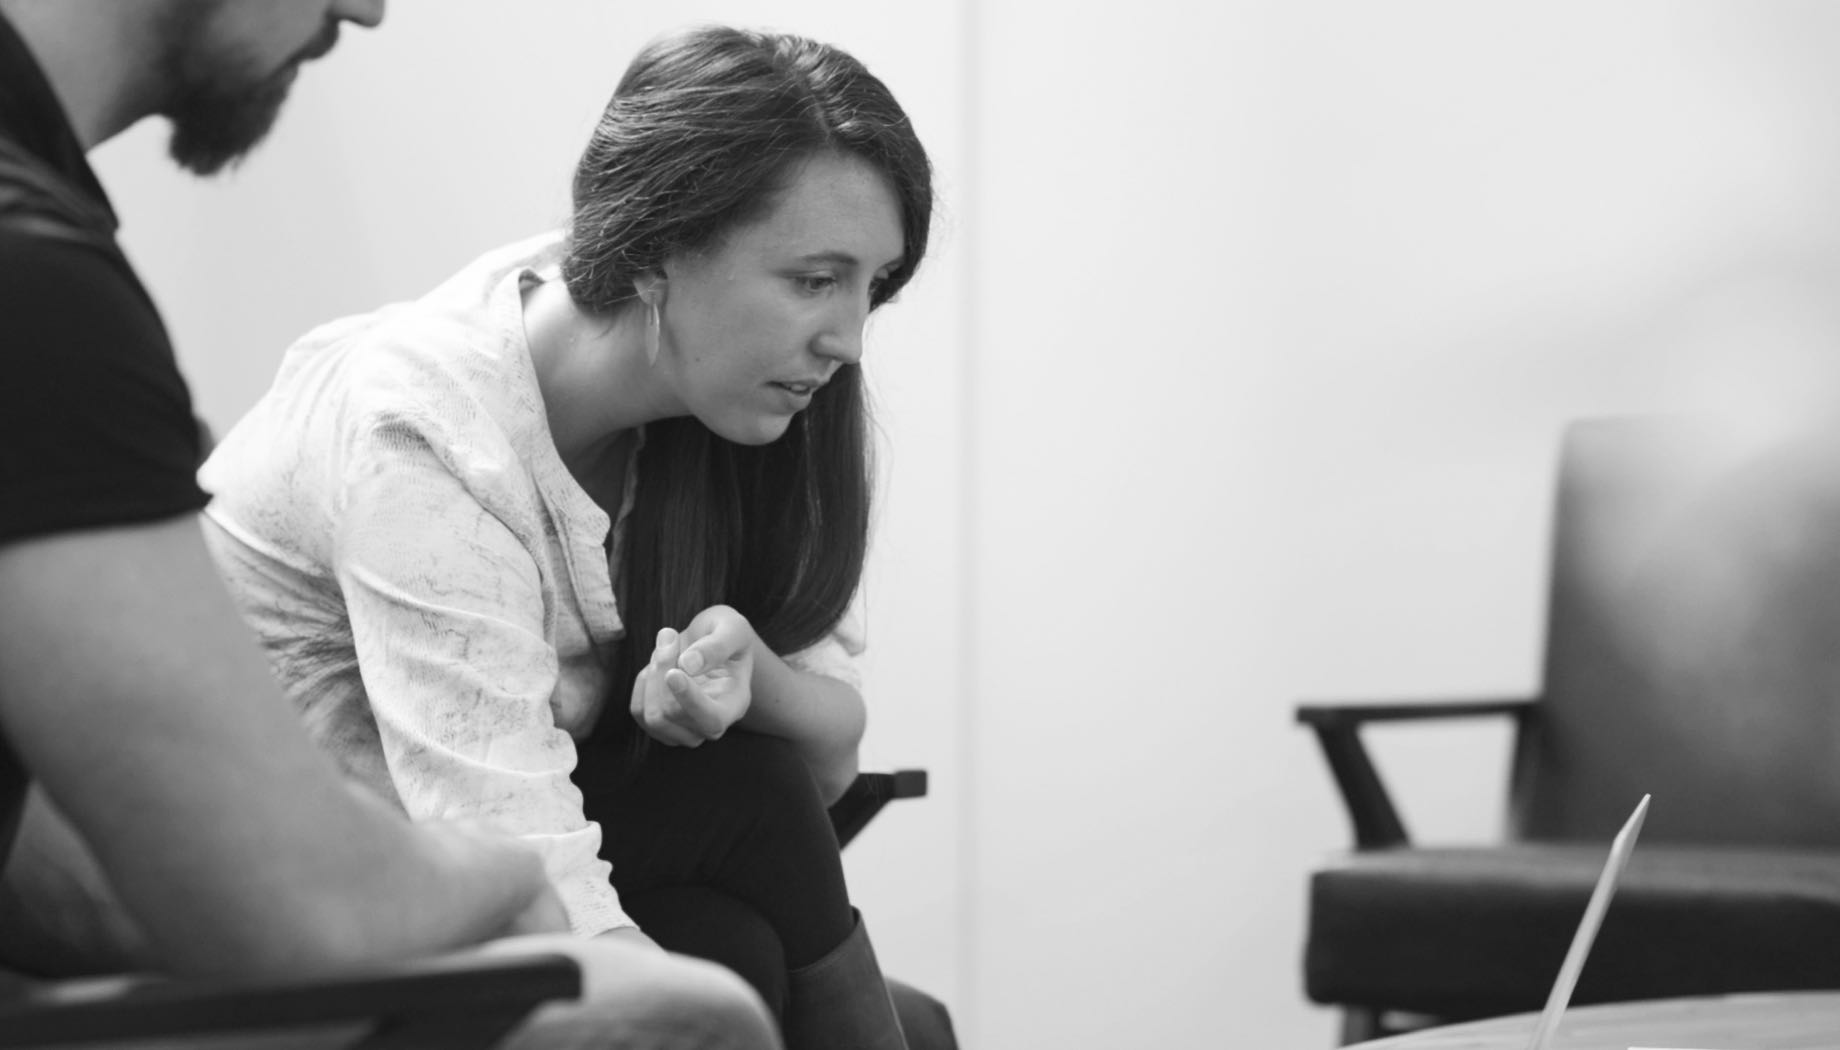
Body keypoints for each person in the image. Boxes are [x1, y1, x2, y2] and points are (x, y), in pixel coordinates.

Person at [0, 1, 777, 1046]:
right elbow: (294, 897)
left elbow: (46, 847)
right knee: (690, 1019)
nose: (367, 10)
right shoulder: (37, 288)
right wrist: (498, 880)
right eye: (811, 279)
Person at [197, 24, 947, 1050]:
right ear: (657, 249)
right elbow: (503, 847)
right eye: (815, 280)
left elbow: (817, 774)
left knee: (732, 921)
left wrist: (754, 679)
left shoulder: (729, 405)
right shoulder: (425, 431)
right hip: (299, 920)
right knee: (738, 953)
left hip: (486, 867)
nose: (849, 338)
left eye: (874, 285)